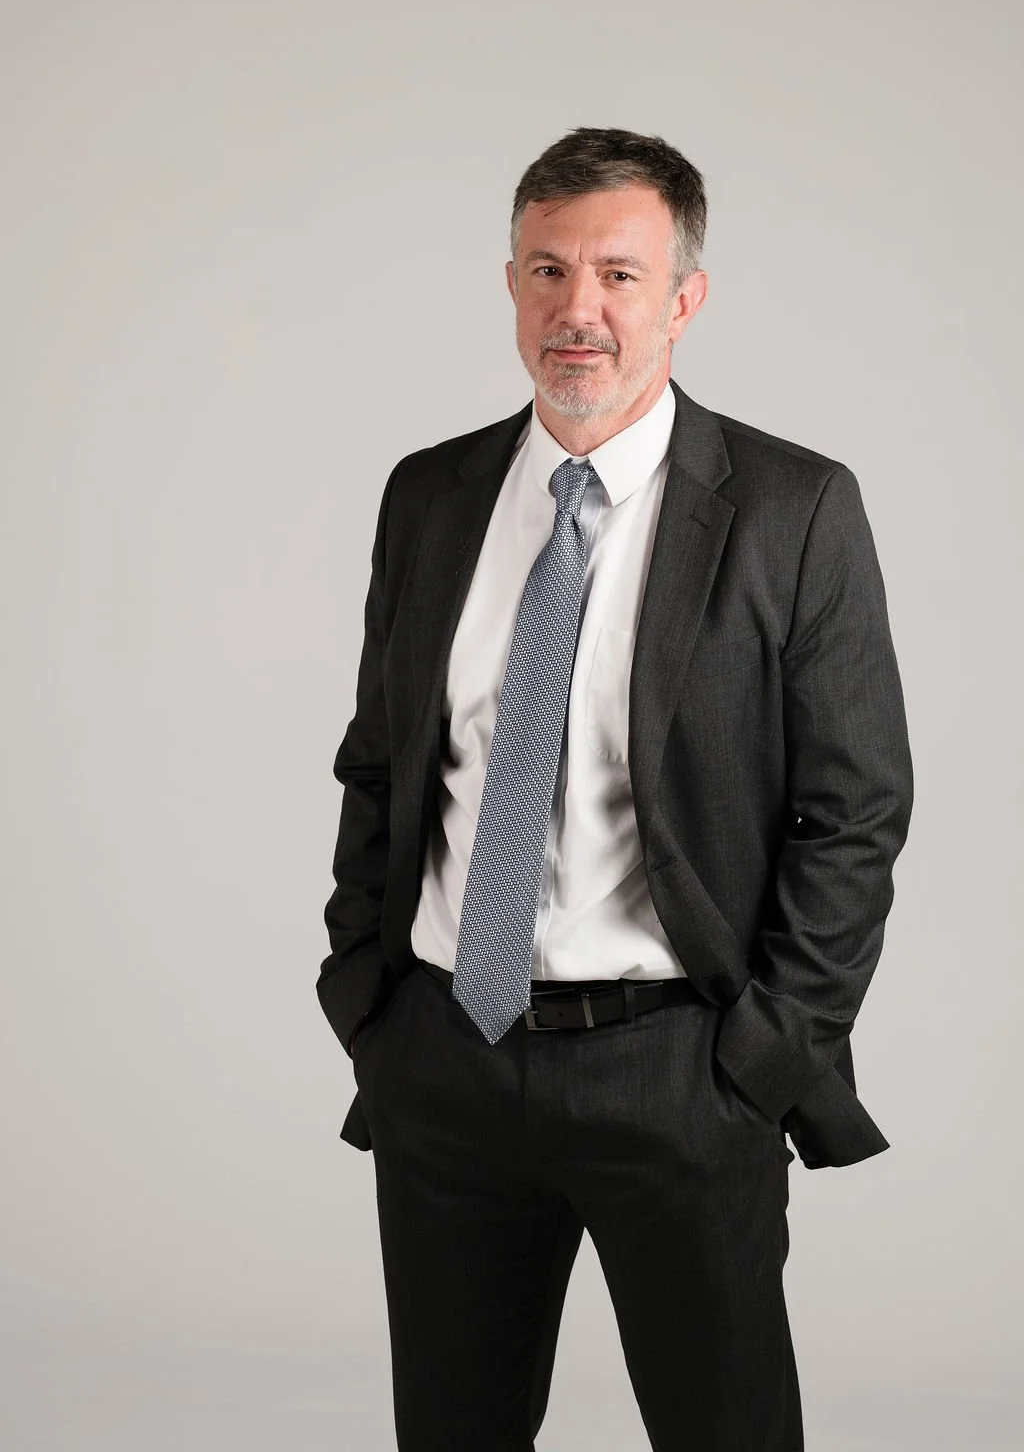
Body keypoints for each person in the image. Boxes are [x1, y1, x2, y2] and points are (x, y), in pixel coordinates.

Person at [317, 126, 914, 1452]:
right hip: (447, 1066)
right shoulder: (431, 496)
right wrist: (366, 995)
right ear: (512, 285)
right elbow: (381, 758)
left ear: (684, 300)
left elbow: (856, 806)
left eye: (619, 276)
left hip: (678, 1070)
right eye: (547, 270)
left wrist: (759, 1061)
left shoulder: (790, 509)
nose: (577, 309)